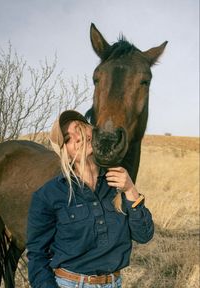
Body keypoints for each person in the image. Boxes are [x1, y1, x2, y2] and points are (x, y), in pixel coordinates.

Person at [26, 110, 154, 288]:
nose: (77, 138)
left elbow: (144, 235)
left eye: (79, 128)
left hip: (113, 283)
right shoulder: (49, 195)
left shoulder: (118, 184)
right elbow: (37, 254)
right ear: (65, 152)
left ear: (92, 131)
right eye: (68, 138)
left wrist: (131, 190)